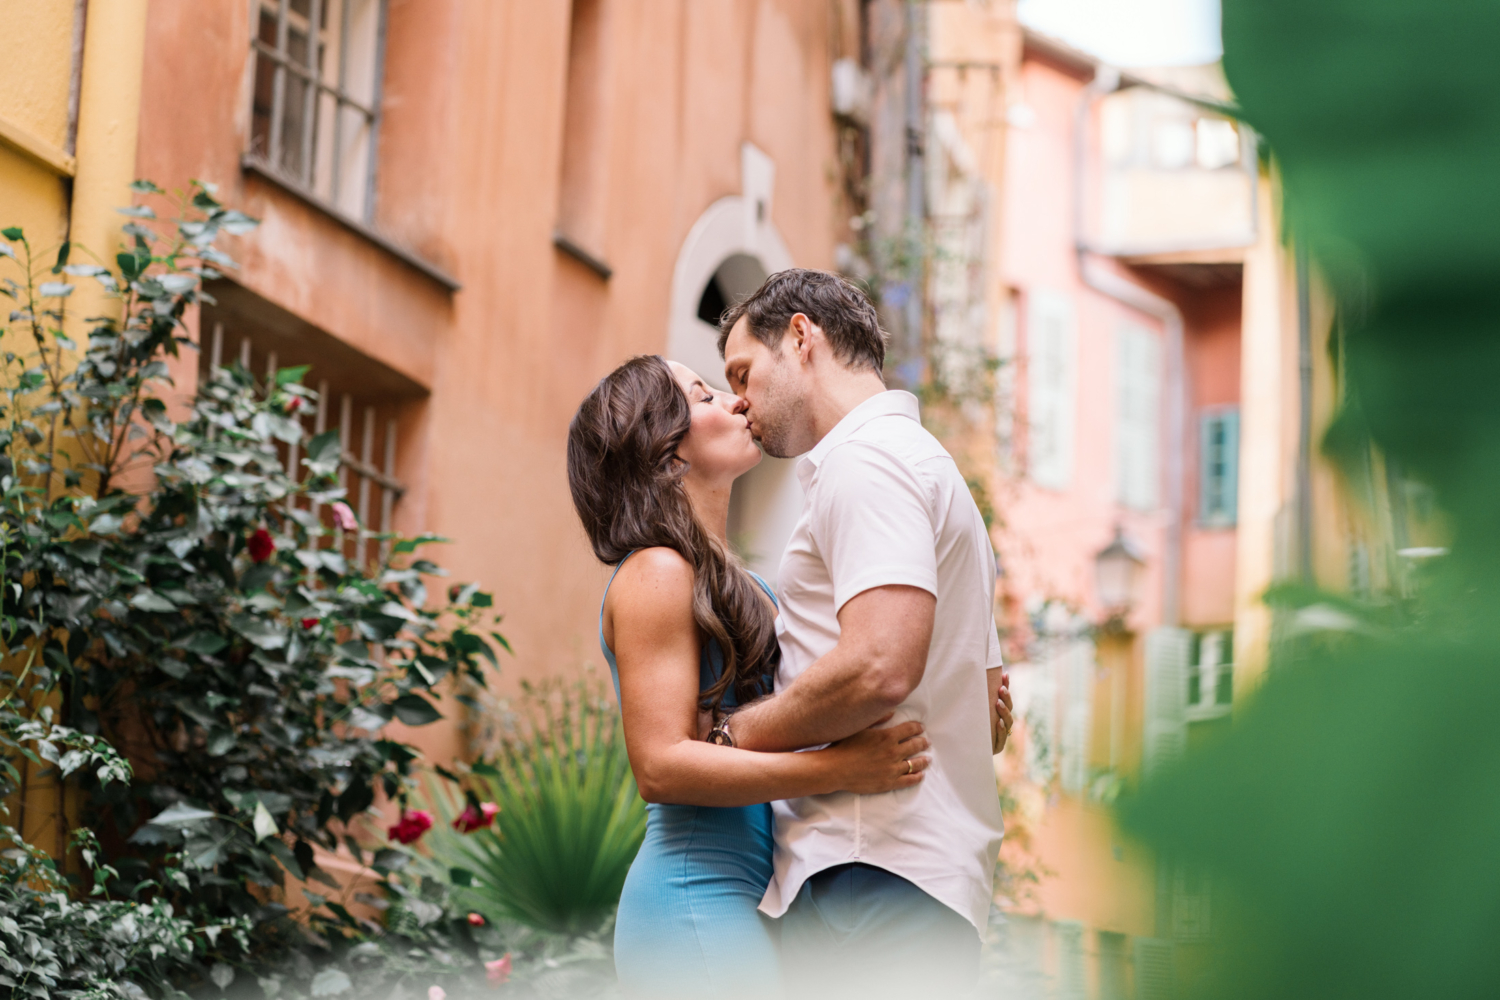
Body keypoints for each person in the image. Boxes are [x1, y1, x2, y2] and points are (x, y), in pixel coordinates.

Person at [566, 354, 934, 999]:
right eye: (704, 396)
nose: (737, 402)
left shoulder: (751, 588)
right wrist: (840, 769)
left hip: (757, 897)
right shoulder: (656, 572)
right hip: (693, 897)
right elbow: (661, 767)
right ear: (665, 452)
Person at [716, 268, 1010, 999]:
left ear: (801, 337)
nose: (740, 401)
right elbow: (989, 708)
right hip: (917, 883)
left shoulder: (866, 460)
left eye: (744, 372)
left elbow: (880, 664)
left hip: (868, 873)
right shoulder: (931, 470)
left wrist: (736, 738)